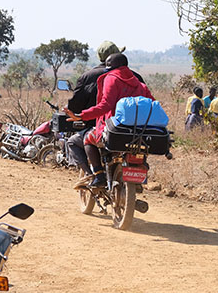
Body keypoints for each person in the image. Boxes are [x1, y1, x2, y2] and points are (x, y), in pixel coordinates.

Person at [65, 53, 154, 187]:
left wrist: (82, 116)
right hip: (137, 131)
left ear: (111, 67)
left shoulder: (111, 79)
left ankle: (98, 175)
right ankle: (136, 180)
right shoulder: (140, 84)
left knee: (88, 138)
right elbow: (152, 105)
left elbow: (105, 105)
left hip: (115, 130)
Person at [65, 40, 123, 177]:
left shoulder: (89, 77)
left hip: (99, 127)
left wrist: (80, 115)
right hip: (131, 129)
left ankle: (93, 175)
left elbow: (80, 106)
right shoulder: (133, 76)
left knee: (73, 141)